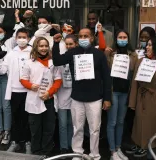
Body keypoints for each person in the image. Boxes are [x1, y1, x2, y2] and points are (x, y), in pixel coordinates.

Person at [52, 28, 112, 160]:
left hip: (95, 98)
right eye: (81, 36)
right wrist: (56, 44)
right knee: (77, 128)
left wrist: (107, 98)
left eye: (86, 36)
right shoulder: (73, 52)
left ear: (91, 38)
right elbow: (57, 61)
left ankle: (94, 154)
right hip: (77, 98)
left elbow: (107, 78)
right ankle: (77, 154)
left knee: (95, 129)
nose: (83, 38)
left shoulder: (99, 54)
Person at [20, 37, 62, 157]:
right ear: (36, 47)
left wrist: (49, 92)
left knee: (49, 128)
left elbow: (58, 80)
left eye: (45, 46)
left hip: (48, 99)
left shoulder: (53, 63)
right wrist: (30, 85)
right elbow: (23, 79)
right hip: (34, 99)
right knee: (35, 129)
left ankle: (46, 153)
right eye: (41, 46)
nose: (43, 48)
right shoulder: (29, 63)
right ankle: (36, 152)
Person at [128, 36, 156, 158]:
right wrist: (132, 102)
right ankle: (142, 146)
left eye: (150, 45)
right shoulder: (141, 61)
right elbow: (135, 82)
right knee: (141, 125)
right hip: (142, 98)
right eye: (147, 45)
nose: (147, 47)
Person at [0, 28, 32, 154]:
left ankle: (28, 143)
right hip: (15, 91)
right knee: (16, 118)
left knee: (27, 118)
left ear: (28, 38)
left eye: (24, 37)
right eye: (19, 37)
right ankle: (15, 142)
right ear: (15, 38)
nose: (22, 39)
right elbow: (2, 71)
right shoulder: (11, 53)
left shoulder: (32, 51)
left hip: (29, 91)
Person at [0, 16, 24, 145]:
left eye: (1, 32)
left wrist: (18, 19)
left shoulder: (9, 43)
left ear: (4, 33)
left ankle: (7, 131)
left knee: (6, 106)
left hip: (6, 78)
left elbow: (18, 32)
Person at [105, 30, 137, 160]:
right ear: (116, 39)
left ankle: (118, 148)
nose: (122, 39)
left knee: (120, 122)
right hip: (113, 91)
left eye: (125, 37)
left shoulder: (134, 55)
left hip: (125, 92)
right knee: (112, 122)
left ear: (128, 39)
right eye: (120, 37)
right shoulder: (111, 53)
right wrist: (106, 56)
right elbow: (105, 71)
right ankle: (112, 151)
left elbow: (134, 71)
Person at [57, 34, 78, 154]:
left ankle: (72, 145)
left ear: (76, 44)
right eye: (67, 44)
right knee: (63, 123)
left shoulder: (80, 57)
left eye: (71, 44)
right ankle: (63, 147)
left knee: (72, 123)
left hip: (75, 95)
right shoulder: (62, 57)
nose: (69, 46)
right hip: (62, 94)